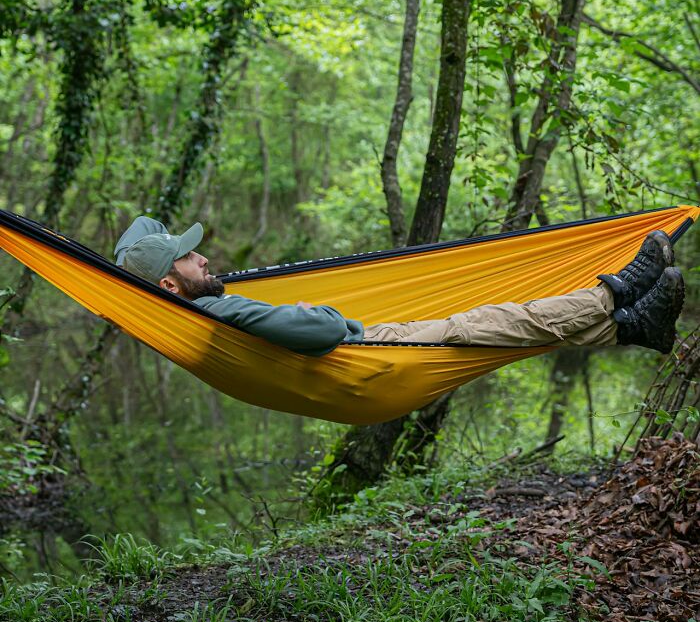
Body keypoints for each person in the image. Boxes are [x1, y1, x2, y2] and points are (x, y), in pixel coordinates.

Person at [114, 216, 685, 358]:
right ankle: (618, 294)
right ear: (169, 282)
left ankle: (629, 327)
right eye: (189, 257)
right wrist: (323, 312)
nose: (203, 255)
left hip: (377, 347)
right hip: (375, 352)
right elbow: (316, 332)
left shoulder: (213, 305)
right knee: (500, 321)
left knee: (504, 325)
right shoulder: (223, 311)